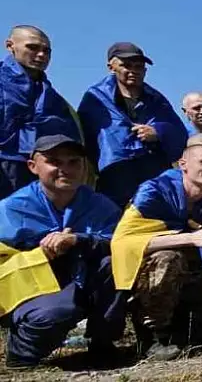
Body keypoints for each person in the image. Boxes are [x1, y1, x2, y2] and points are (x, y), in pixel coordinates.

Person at [111, 144, 202, 360]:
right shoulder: (154, 192)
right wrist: (189, 238)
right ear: (183, 165)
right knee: (169, 257)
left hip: (192, 279)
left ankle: (192, 332)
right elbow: (123, 241)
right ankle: (153, 338)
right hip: (150, 277)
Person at [0, 135, 126, 367]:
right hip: (31, 287)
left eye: (73, 162)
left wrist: (79, 239)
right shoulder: (11, 208)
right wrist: (40, 251)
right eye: (54, 162)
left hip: (81, 279)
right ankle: (21, 354)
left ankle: (103, 342)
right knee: (56, 313)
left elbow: (120, 242)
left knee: (115, 262)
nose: (65, 169)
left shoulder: (100, 205)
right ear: (33, 166)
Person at [78, 42, 187, 208]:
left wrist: (158, 132)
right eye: (126, 65)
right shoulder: (96, 97)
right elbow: (88, 136)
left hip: (152, 172)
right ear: (111, 67)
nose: (133, 71)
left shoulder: (156, 99)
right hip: (114, 175)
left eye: (139, 66)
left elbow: (177, 130)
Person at [1, 26, 82, 199]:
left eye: (46, 51)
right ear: (10, 46)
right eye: (32, 47)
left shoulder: (51, 95)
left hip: (40, 171)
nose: (41, 55)